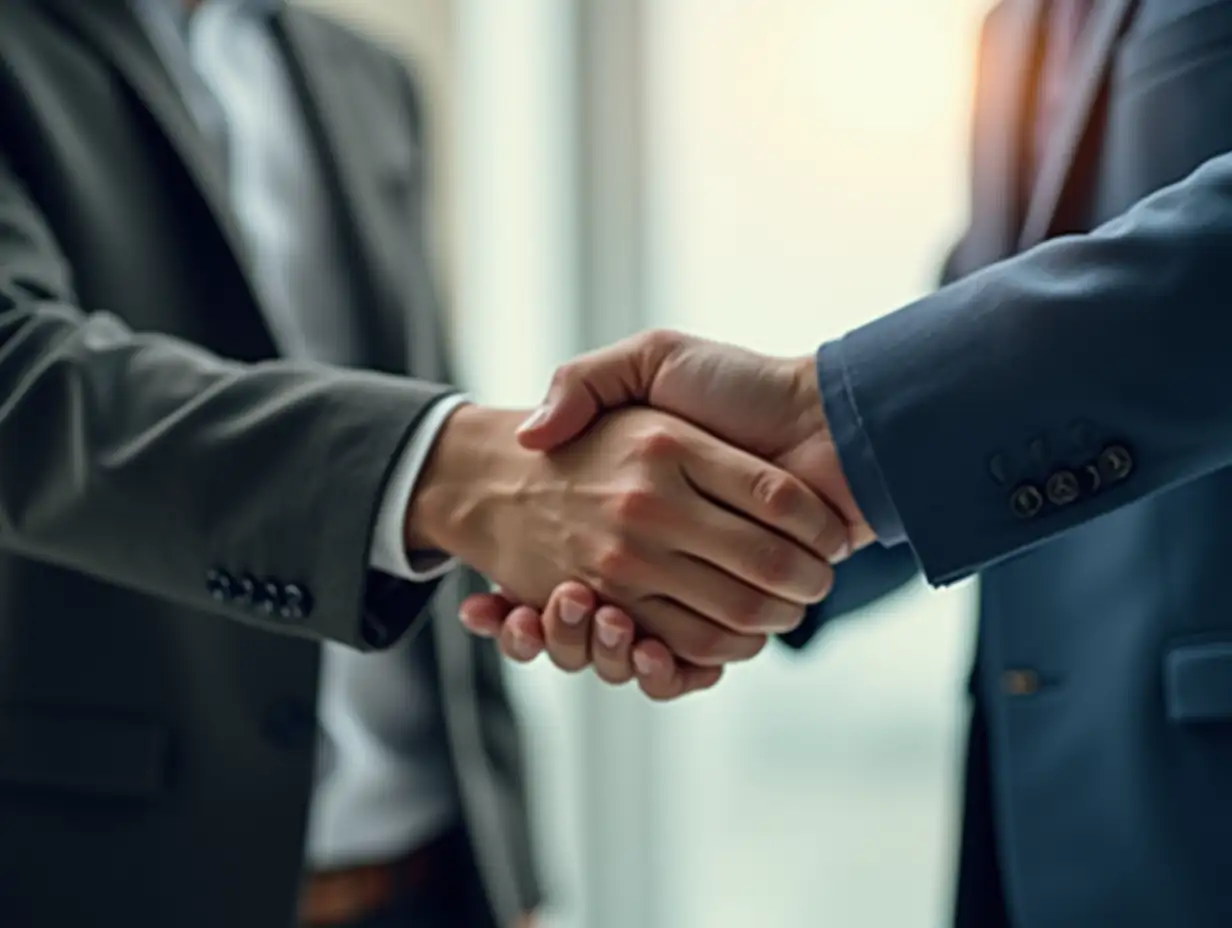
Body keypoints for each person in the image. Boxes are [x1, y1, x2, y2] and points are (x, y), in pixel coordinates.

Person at [0, 2, 852, 927]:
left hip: (431, 873)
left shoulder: (366, 75)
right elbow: (26, 382)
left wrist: (508, 864)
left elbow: (431, 407)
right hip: (120, 877)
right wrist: (465, 474)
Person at [464, 2, 1232, 926]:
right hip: (1043, 804)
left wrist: (829, 430)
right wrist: (723, 538)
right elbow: (988, 324)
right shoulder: (1017, 25)